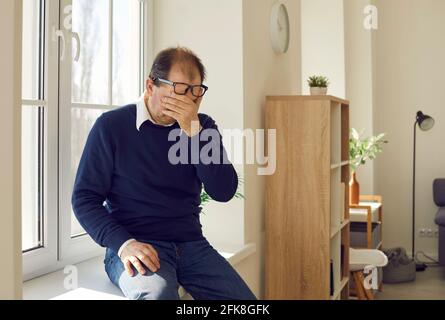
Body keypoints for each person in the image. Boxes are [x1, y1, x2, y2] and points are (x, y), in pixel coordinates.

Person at [71, 47, 256, 300]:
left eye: (196, 93)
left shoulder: (203, 127)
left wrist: (194, 132)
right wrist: (124, 245)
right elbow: (84, 199)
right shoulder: (112, 126)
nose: (188, 102)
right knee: (157, 296)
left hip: (192, 245)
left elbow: (223, 191)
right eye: (179, 90)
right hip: (136, 245)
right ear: (150, 86)